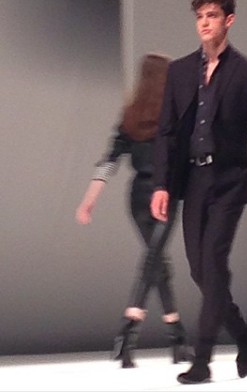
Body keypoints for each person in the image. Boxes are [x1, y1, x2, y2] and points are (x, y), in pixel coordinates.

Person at [150, 0, 247, 385]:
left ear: (228, 21)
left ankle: (202, 359)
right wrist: (161, 184)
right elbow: (167, 132)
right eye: (200, 17)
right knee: (199, 271)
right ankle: (241, 331)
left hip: (229, 182)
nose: (204, 23)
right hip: (194, 181)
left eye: (212, 15)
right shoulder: (180, 71)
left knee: (215, 264)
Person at [76, 53, 193, 369]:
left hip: (137, 196)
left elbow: (109, 161)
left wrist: (89, 200)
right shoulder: (176, 115)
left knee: (157, 262)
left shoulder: (131, 116)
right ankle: (127, 333)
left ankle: (176, 338)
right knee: (154, 261)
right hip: (165, 195)